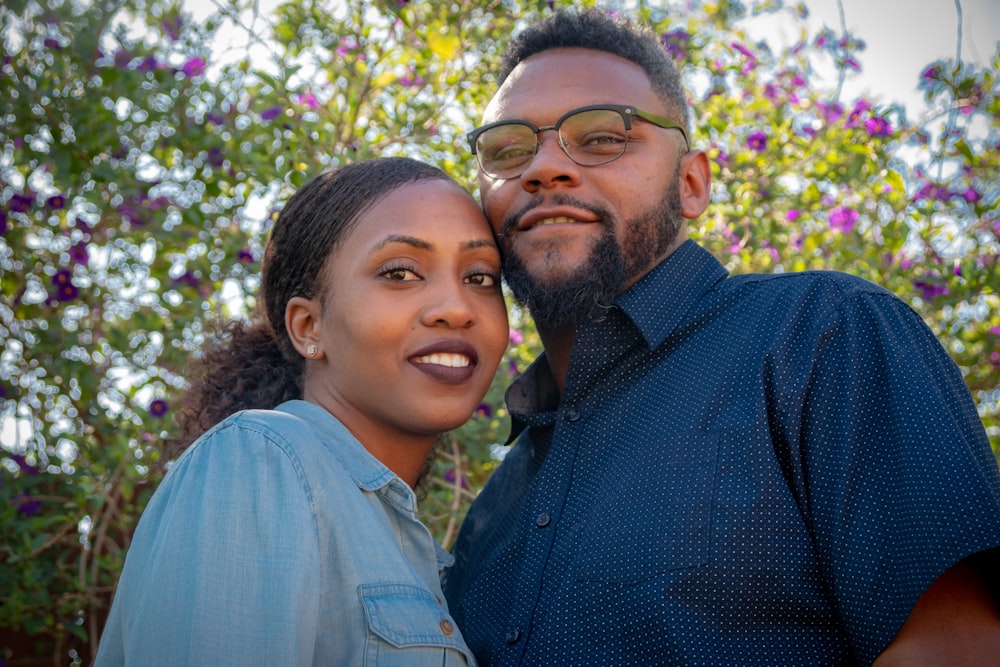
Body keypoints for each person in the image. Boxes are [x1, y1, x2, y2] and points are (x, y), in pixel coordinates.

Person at [442, 9, 1000, 666]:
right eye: (509, 149)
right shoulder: (490, 514)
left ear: (691, 183)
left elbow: (961, 645)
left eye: (601, 138)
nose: (543, 168)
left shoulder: (821, 334)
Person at [95, 157, 509, 665]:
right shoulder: (261, 461)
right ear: (309, 326)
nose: (458, 306)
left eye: (482, 277)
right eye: (400, 272)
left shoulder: (408, 548)